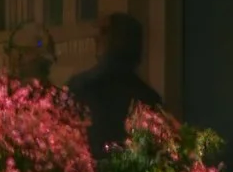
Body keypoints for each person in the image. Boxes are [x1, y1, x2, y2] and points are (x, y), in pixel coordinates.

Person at [67, 11, 164, 153]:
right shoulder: (150, 98)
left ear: (121, 39)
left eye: (104, 32)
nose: (96, 38)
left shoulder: (80, 87)